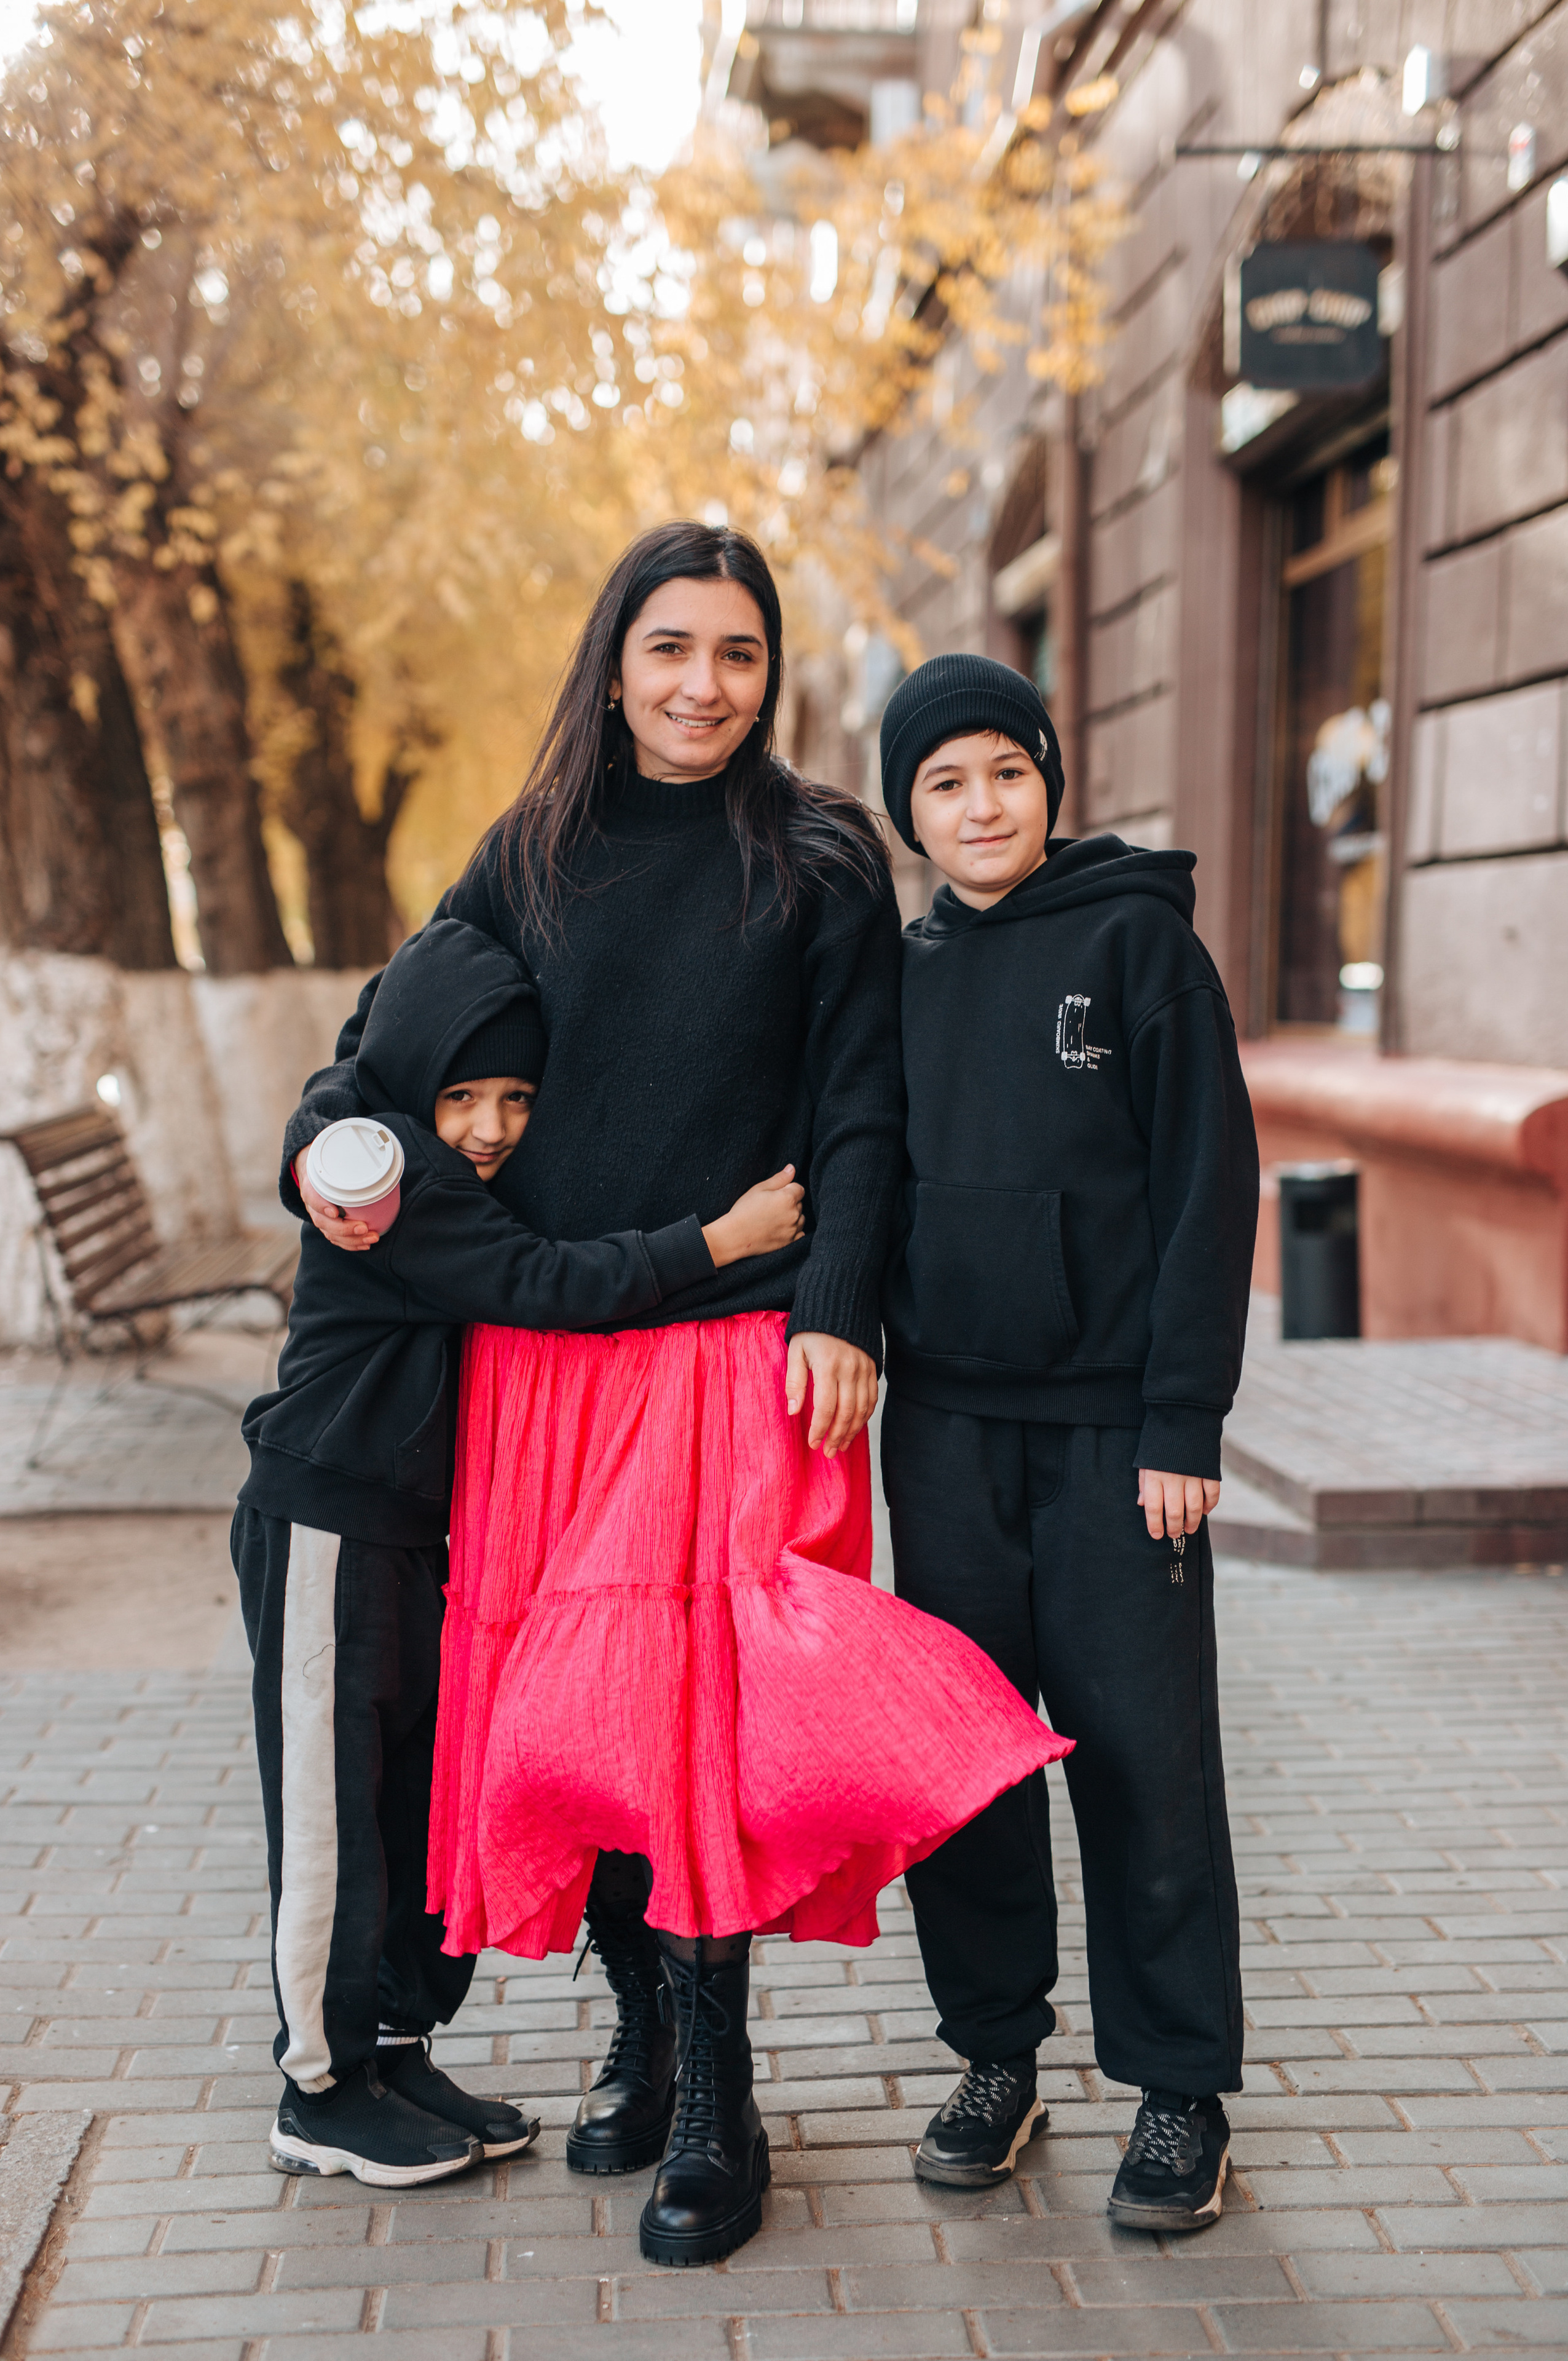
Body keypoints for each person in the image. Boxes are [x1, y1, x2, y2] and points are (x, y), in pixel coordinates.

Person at [278, 521, 1071, 2267]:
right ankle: (638, 2034)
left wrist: (841, 1306)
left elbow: (864, 1105)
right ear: (614, 664)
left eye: (736, 652)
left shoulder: (818, 854)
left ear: (767, 672)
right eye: (672, 650)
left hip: (738, 1348)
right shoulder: (531, 852)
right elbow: (383, 1046)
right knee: (586, 1718)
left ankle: (720, 2099)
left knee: (705, 1724)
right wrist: (321, 1158)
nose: (705, 685)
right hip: (551, 1365)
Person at [237, 916, 806, 2190]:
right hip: (323, 1518)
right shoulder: (401, 1194)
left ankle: (389, 2044)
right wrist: (719, 1242)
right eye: (463, 1096)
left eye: (514, 1099)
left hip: (399, 1532)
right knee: (332, 1812)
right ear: (412, 1086)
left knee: (399, 1798)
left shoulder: (407, 1154)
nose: (490, 1126)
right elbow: (547, 1283)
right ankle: (319, 2087)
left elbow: (358, 1077)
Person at [874, 652, 1259, 2232]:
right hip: (947, 1430)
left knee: (1146, 1766)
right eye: (945, 782)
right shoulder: (896, 974)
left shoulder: (1138, 946)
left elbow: (1204, 1198)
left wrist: (1180, 1420)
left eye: (1005, 772)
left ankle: (1178, 2091)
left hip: (1116, 1444)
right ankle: (994, 2056)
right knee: (960, 1771)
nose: (980, 805)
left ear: (1050, 781)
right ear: (909, 810)